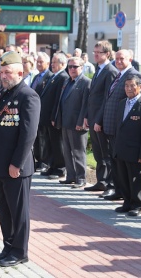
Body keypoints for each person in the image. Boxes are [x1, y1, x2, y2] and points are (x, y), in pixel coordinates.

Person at [0, 51, 40, 267]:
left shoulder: (28, 95)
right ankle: (8, 247)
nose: (4, 76)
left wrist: (17, 163)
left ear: (20, 73)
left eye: (8, 72)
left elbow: (28, 134)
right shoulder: (4, 93)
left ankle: (19, 251)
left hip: (16, 166)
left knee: (18, 212)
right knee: (4, 211)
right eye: (2, 72)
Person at [101, 49, 141, 200]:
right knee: (116, 164)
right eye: (116, 59)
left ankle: (129, 198)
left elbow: (139, 105)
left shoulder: (134, 75)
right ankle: (119, 192)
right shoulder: (118, 75)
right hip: (112, 128)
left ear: (130, 59)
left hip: (123, 130)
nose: (118, 61)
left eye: (122, 59)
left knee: (126, 167)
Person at [113, 75, 141, 216]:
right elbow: (119, 127)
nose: (129, 88)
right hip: (121, 149)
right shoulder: (121, 103)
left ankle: (137, 205)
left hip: (135, 151)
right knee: (123, 177)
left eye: (132, 86)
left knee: (135, 179)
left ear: (140, 87)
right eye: (127, 86)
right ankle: (127, 202)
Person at [84, 41, 118, 194]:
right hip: (92, 118)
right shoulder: (99, 69)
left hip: (101, 120)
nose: (95, 54)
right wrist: (87, 116)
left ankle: (109, 183)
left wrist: (99, 120)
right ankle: (101, 181)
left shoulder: (110, 71)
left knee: (106, 154)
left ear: (108, 54)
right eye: (94, 51)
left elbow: (107, 98)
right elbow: (92, 96)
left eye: (99, 52)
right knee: (98, 153)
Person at [52, 57, 91, 188]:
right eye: (70, 67)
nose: (72, 69)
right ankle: (71, 176)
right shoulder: (67, 82)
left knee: (78, 152)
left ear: (82, 67)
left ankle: (81, 178)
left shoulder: (86, 82)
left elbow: (86, 105)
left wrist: (81, 121)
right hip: (65, 122)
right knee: (67, 151)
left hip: (77, 124)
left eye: (75, 66)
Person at [37, 52, 68, 179]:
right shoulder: (54, 76)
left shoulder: (62, 77)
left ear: (62, 64)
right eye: (52, 62)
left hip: (53, 117)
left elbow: (58, 99)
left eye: (55, 62)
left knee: (57, 143)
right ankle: (52, 166)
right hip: (47, 116)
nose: (52, 65)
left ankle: (60, 168)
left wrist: (55, 117)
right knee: (50, 143)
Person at [31, 52, 52, 172]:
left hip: (43, 112)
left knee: (43, 139)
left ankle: (44, 162)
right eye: (37, 62)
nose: (38, 64)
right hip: (35, 112)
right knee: (37, 138)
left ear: (47, 63)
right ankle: (38, 160)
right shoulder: (36, 76)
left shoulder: (49, 76)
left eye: (41, 62)